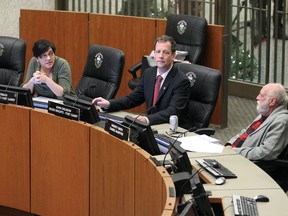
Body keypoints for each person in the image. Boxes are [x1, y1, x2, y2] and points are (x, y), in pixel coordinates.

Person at [92, 35, 190, 126]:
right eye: (158, 51)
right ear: (154, 54)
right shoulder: (149, 73)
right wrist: (109, 104)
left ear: (173, 56)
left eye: (166, 52)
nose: (160, 56)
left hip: (170, 128)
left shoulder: (181, 81)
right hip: (152, 126)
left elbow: (172, 111)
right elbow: (133, 99)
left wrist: (147, 119)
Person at [227, 83, 288, 161]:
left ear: (272, 101)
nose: (257, 97)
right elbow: (245, 133)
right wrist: (229, 144)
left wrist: (234, 151)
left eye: (261, 95)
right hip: (235, 154)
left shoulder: (281, 121)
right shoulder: (264, 114)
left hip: (249, 163)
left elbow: (267, 153)